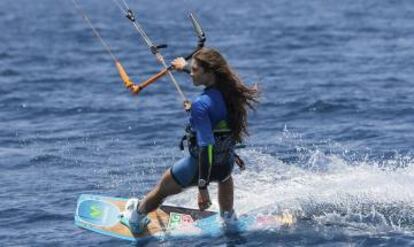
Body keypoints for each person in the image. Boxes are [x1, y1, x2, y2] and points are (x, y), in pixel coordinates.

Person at [122, 47, 259, 234]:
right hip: (225, 164)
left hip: (196, 169)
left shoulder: (201, 105)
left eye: (195, 70)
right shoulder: (232, 92)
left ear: (209, 72)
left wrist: (202, 188)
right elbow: (217, 123)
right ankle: (229, 219)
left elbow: (206, 147)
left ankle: (136, 217)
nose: (191, 74)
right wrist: (183, 66)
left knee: (161, 190)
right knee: (225, 178)